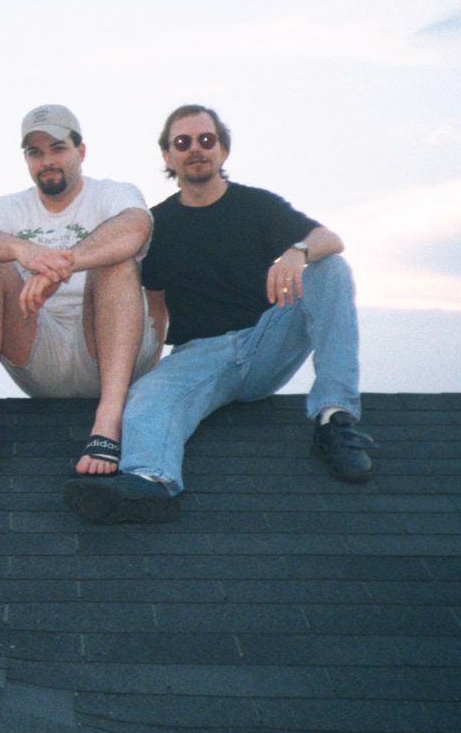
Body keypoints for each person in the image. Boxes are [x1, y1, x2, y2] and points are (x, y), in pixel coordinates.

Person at [63, 104, 377, 525]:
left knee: (330, 266)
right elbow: (155, 307)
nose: (195, 148)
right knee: (148, 397)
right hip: (199, 356)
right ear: (168, 157)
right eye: (182, 142)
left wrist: (297, 251)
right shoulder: (157, 224)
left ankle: (334, 418)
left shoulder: (258, 206)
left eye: (206, 139)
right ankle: (150, 482)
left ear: (222, 150)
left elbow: (330, 239)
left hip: (266, 339)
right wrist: (150, 371)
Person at [0, 104, 162, 475]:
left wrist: (61, 268)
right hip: (40, 353)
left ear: (80, 151)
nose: (47, 160)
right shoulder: (10, 206)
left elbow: (136, 226)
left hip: (110, 349)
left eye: (58, 148)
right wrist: (22, 249)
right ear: (26, 160)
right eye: (35, 152)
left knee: (116, 262)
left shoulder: (113, 193)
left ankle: (108, 421)